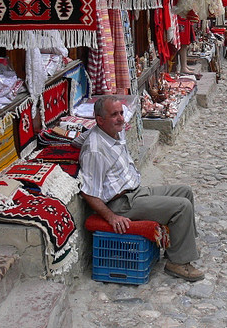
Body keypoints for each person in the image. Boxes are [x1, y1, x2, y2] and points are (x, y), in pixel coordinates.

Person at [79, 96, 204, 282]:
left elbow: (78, 138)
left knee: (184, 191)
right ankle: (178, 263)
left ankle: (183, 246)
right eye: (114, 115)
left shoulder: (113, 131)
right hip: (122, 204)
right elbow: (88, 191)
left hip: (135, 191)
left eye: (121, 113)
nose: (121, 118)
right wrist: (111, 217)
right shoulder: (95, 149)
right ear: (99, 120)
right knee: (182, 206)